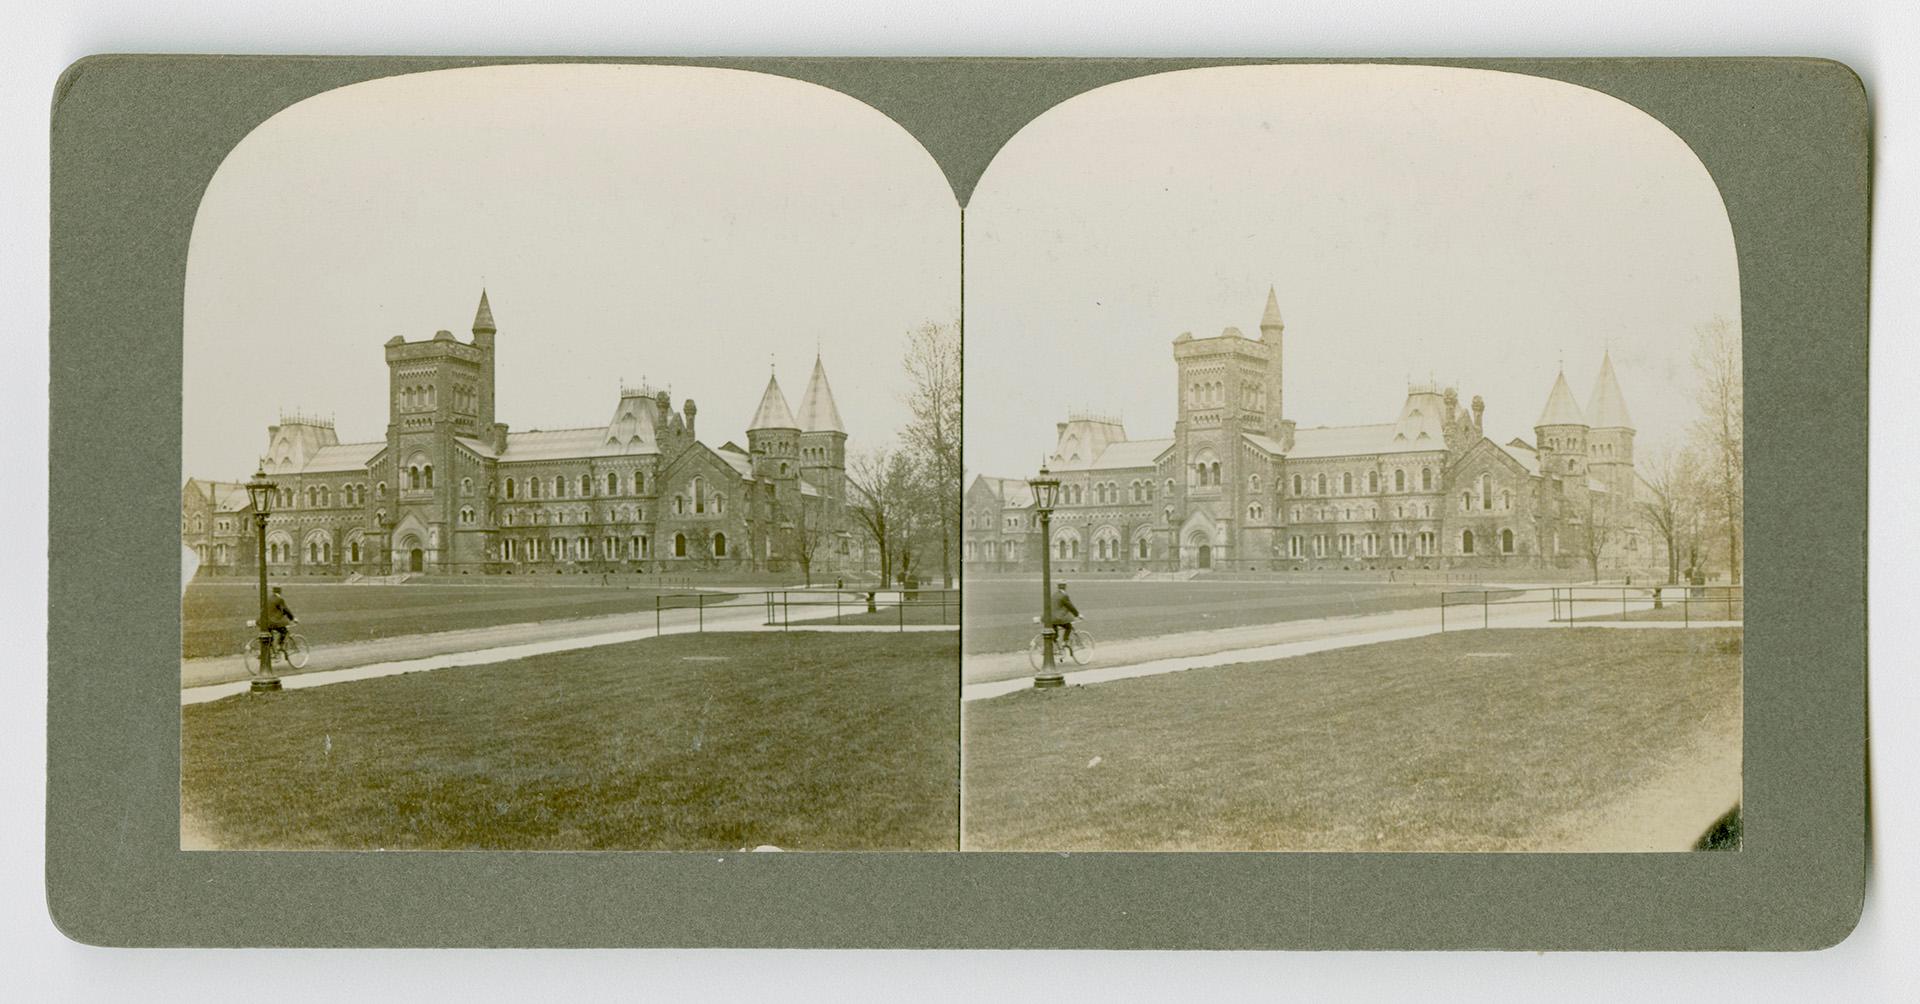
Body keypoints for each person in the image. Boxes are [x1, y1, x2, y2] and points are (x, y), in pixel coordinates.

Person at [1048, 582, 1081, 648]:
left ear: (1057, 587)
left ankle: (1056, 647)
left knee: (1055, 634)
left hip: (1051, 617)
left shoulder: (1054, 595)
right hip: (1058, 618)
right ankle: (1065, 641)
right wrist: (1077, 615)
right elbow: (1070, 606)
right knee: (1069, 627)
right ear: (1065, 587)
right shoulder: (1064, 596)